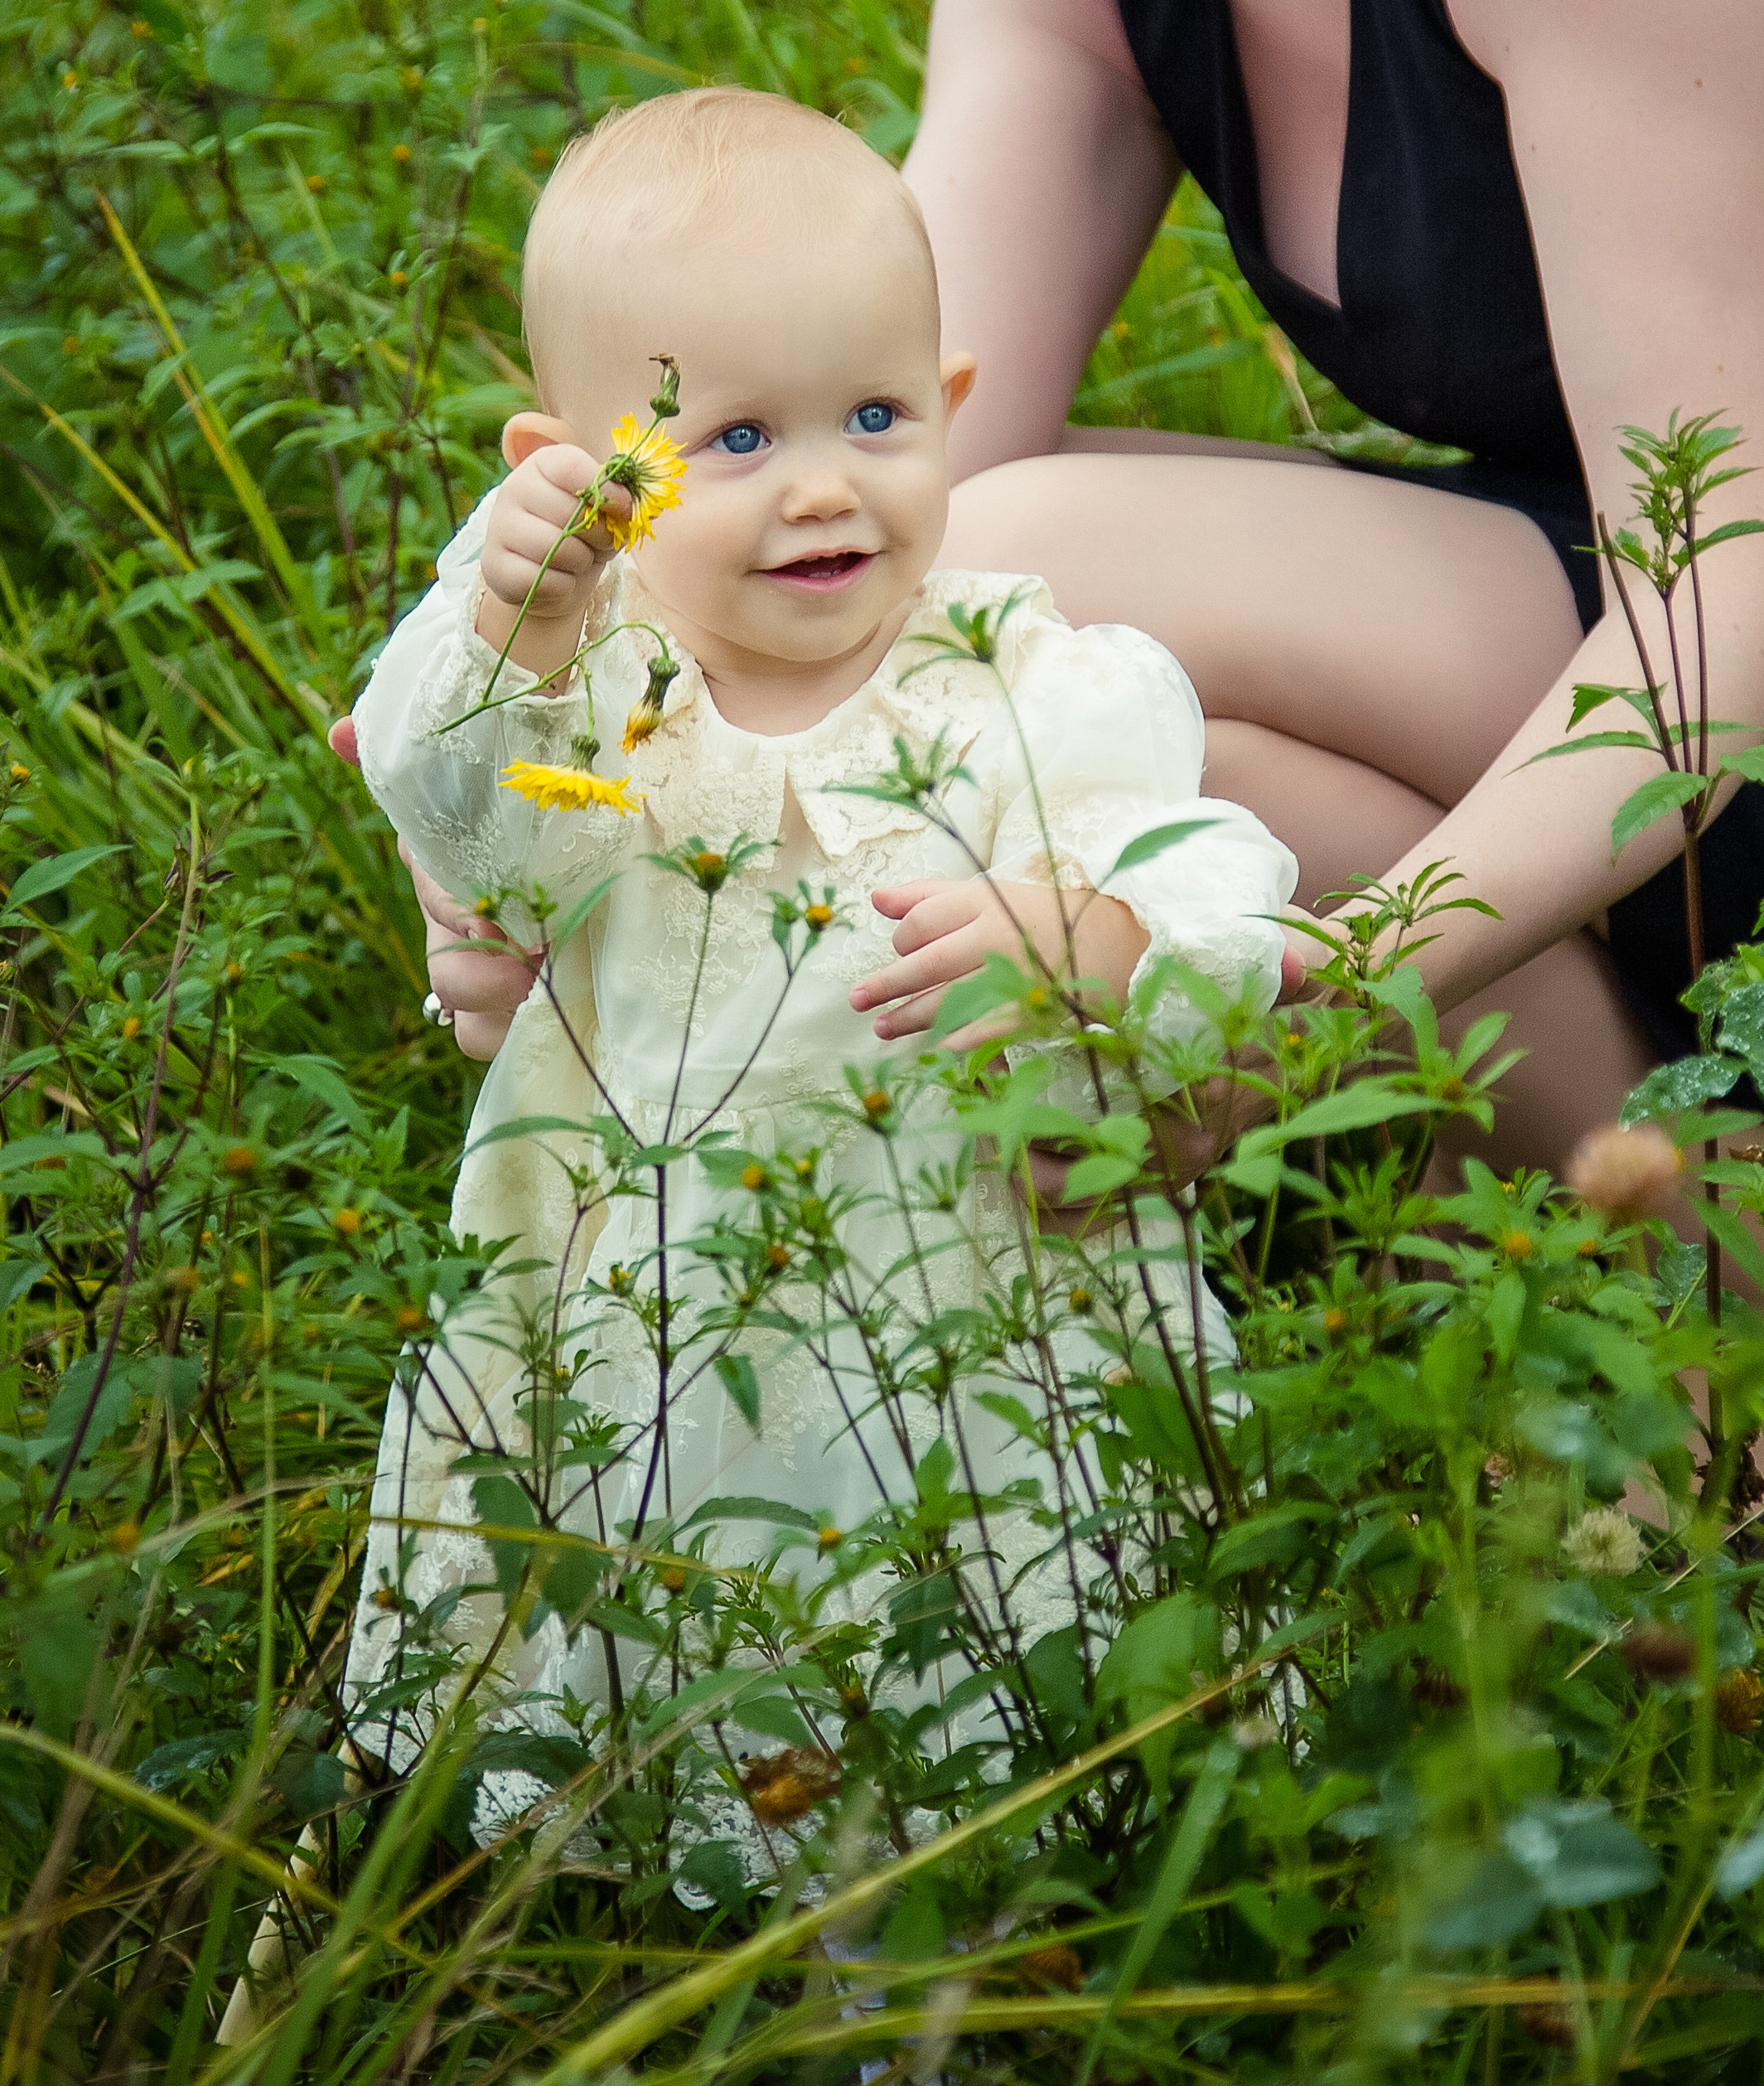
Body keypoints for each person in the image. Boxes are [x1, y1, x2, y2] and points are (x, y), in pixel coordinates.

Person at [388, 0, 1764, 1179]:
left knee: (1034, 569)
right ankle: (1708, 1285)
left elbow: (1737, 577)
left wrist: (1305, 980)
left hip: (1741, 646)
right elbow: (814, 477)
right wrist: (515, 801)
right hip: (1650, 695)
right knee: (1087, 703)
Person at [341, 86, 1294, 1760]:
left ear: (950, 405)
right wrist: (514, 624)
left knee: (1013, 1640)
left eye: (871, 416)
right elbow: (474, 831)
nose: (820, 489)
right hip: (658, 1309)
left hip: (987, 1305)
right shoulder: (597, 700)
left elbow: (1212, 874)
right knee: (680, 1638)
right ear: (572, 473)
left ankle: (1045, 1835)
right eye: (734, 441)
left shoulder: (1021, 682)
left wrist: (1096, 933)